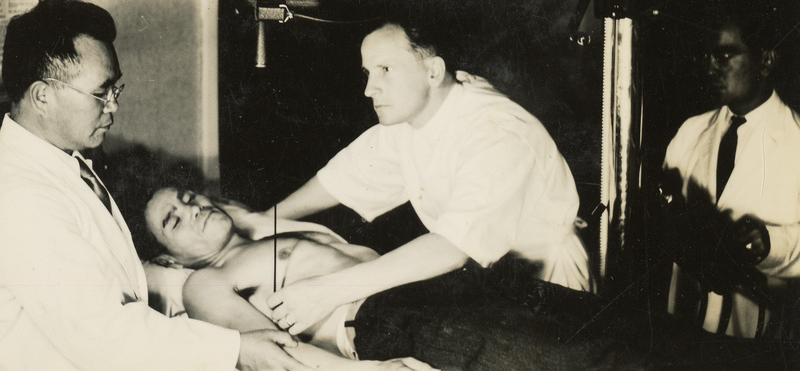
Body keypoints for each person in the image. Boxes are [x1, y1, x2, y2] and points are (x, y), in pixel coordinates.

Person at [143, 185, 793, 371]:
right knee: (589, 360)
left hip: (443, 290)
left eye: (188, 199)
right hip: (395, 322)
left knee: (627, 325)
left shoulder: (263, 228)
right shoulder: (206, 285)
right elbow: (279, 356)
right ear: (170, 258)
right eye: (173, 220)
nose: (191, 212)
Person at [0, 0, 315, 371]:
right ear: (42, 97)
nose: (113, 106)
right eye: (101, 93)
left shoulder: (64, 163)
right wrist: (234, 349)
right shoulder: (21, 196)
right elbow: (103, 337)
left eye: (116, 90)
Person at [261, 20, 593, 336]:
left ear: (433, 71)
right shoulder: (417, 116)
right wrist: (265, 220)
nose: (368, 89)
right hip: (487, 283)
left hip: (548, 287)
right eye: (367, 72)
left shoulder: (497, 135)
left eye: (385, 70)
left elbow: (451, 247)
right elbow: (342, 178)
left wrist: (326, 292)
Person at [662, 8, 800, 338]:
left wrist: (770, 244)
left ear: (765, 61)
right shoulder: (690, 132)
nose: (709, 67)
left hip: (760, 341)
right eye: (705, 55)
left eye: (724, 55)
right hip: (684, 333)